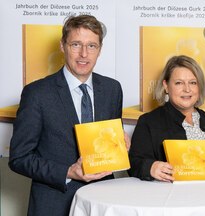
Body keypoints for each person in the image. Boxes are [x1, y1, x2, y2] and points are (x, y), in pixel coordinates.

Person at [9, 15, 124, 216]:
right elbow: (19, 158)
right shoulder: (37, 93)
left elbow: (110, 145)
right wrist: (68, 172)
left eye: (91, 46)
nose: (83, 54)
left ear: (100, 49)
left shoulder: (112, 89)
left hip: (102, 204)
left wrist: (122, 145)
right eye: (76, 44)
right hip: (53, 205)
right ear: (63, 46)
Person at [128, 55, 205, 181]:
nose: (187, 89)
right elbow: (134, 163)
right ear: (166, 86)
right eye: (179, 83)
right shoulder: (148, 122)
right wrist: (151, 167)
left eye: (193, 83)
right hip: (172, 198)